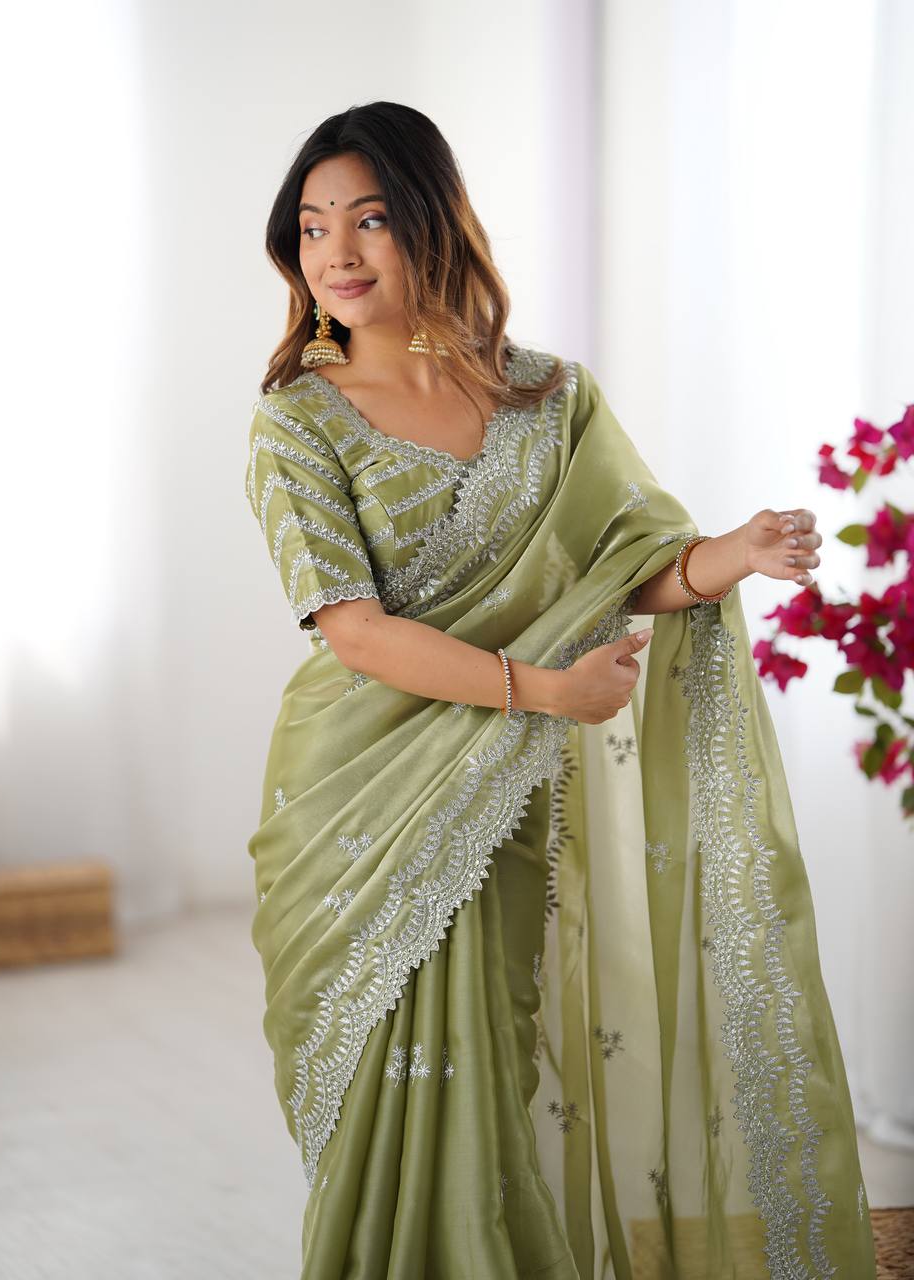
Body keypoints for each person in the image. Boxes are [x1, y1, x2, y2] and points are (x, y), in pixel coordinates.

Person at [244, 101, 877, 1279]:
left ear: (431, 222)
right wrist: (544, 689)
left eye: (369, 219)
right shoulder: (297, 420)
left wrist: (730, 554)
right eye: (313, 226)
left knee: (491, 1049)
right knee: (388, 1084)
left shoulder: (548, 397)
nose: (336, 251)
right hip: (357, 795)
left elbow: (629, 569)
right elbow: (356, 633)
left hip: (497, 782)